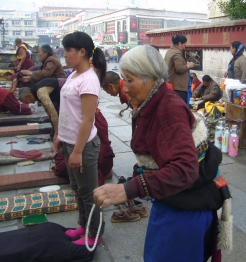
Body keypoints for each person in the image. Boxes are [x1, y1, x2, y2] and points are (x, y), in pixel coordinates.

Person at [93, 45, 229, 261]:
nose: (125, 88)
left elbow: (185, 169)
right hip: (174, 200)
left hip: (186, 210)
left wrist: (130, 189)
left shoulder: (169, 109)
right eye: (124, 80)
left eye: (130, 80)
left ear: (150, 78)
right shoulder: (153, 102)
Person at [53, 31, 106, 246]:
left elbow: (87, 119)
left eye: (68, 50)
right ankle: (84, 226)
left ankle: (95, 233)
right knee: (77, 189)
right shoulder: (73, 75)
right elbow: (66, 110)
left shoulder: (89, 80)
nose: (64, 54)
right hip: (69, 143)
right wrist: (59, 135)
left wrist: (76, 151)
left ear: (82, 52)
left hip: (82, 147)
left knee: (89, 193)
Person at [165, 34, 195, 102]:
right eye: (184, 45)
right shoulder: (176, 53)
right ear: (179, 43)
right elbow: (180, 68)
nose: (184, 47)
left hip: (171, 83)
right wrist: (188, 65)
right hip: (178, 86)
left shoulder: (169, 51)